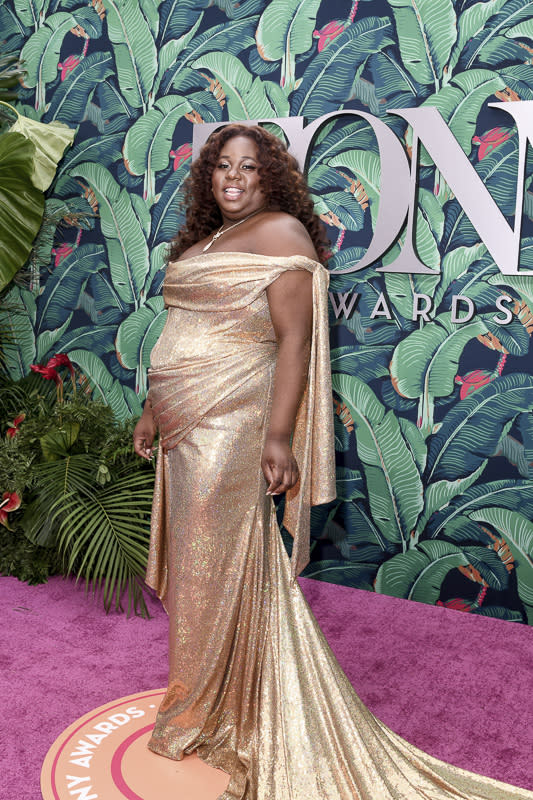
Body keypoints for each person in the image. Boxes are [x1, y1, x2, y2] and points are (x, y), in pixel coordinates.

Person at [133, 124, 532, 800]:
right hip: (180, 426)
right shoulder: (201, 240)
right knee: (205, 566)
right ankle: (208, 695)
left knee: (211, 568)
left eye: (248, 169)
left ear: (270, 179)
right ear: (208, 176)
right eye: (222, 167)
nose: (233, 178)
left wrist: (277, 438)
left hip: (232, 425)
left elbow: (293, 345)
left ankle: (203, 707)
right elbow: (180, 329)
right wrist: (152, 406)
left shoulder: (281, 233)